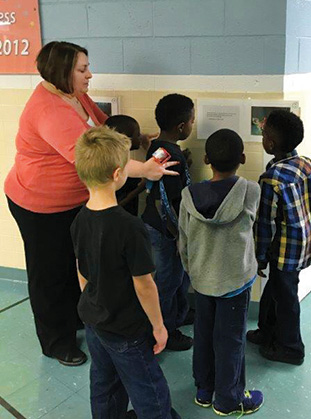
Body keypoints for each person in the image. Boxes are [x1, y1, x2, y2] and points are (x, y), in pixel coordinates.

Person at [3, 41, 178, 367]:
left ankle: (76, 317)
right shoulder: (50, 111)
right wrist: (145, 169)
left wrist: (137, 141)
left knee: (73, 265)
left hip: (72, 201)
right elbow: (95, 157)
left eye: (87, 67)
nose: (90, 75)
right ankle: (56, 341)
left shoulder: (72, 94)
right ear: (62, 72)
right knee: (49, 274)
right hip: (39, 205)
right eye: (83, 70)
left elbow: (102, 129)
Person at [71, 126, 180, 419]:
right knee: (149, 388)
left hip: (95, 320)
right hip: (128, 330)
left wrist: (97, 301)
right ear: (118, 174)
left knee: (104, 382)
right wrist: (158, 326)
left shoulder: (79, 219)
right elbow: (144, 284)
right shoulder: (129, 228)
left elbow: (83, 272)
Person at [179, 129, 264, 416]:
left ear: (205, 159)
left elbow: (183, 240)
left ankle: (204, 390)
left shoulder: (188, 195)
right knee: (230, 340)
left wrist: (192, 270)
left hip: (202, 281)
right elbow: (259, 230)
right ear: (242, 157)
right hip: (235, 282)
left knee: (203, 334)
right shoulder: (251, 191)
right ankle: (229, 399)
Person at [247, 110, 311, 366]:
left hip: (285, 250)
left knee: (286, 297)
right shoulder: (307, 164)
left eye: (265, 134)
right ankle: (267, 330)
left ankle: (291, 348)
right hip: (307, 242)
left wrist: (259, 257)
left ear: (270, 143)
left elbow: (265, 224)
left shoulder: (271, 179)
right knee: (277, 288)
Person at [142, 93, 195, 351]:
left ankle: (178, 315)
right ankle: (165, 330)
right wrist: (177, 235)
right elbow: (167, 201)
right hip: (166, 229)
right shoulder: (171, 156)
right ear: (182, 127)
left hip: (159, 225)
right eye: (192, 121)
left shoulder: (159, 148)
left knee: (177, 277)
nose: (193, 125)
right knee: (168, 280)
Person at [105, 115, 146, 216]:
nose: (141, 137)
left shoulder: (124, 160)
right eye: (138, 134)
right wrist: (141, 188)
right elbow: (118, 204)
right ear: (126, 139)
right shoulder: (115, 167)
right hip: (119, 219)